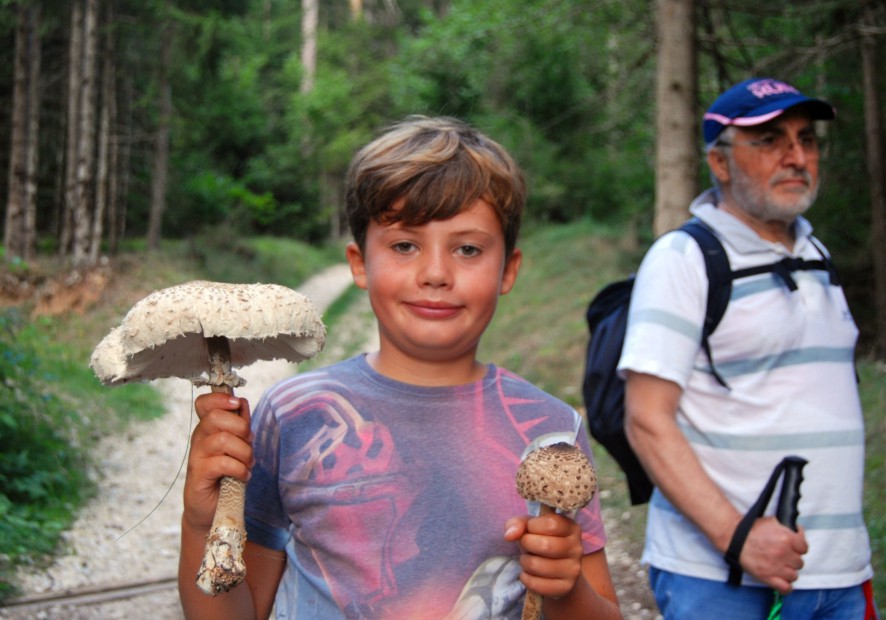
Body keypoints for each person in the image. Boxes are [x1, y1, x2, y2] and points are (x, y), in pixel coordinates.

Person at [178, 116, 622, 620]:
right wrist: (200, 524)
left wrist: (567, 589)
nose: (435, 273)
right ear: (359, 263)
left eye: (468, 249)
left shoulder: (551, 433)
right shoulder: (294, 414)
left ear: (508, 269)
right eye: (405, 245)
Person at [619, 77, 876, 619]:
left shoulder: (816, 255)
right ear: (719, 162)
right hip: (722, 578)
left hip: (839, 575)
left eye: (806, 140)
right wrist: (736, 537)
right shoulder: (684, 259)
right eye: (769, 141)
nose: (796, 157)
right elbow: (646, 420)